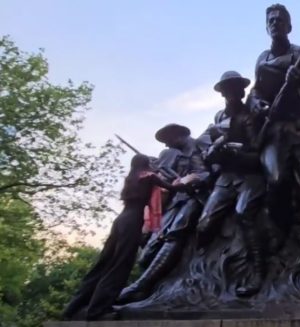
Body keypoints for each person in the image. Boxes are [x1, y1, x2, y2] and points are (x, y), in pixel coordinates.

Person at [63, 154, 190, 320]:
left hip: (121, 220)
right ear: (147, 164)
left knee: (103, 263)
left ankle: (73, 307)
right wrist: (187, 180)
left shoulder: (132, 178)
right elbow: (173, 188)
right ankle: (98, 310)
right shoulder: (150, 177)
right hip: (132, 222)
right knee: (120, 264)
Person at [247, 4, 300, 239]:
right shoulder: (262, 59)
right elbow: (256, 91)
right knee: (277, 180)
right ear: (266, 27)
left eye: (280, 20)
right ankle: (280, 234)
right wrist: (257, 104)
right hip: (275, 132)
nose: (275, 23)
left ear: (289, 26)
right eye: (271, 20)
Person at [118, 124, 209, 304]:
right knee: (148, 250)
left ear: (178, 135)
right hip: (176, 200)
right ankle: (144, 287)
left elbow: (207, 172)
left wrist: (187, 181)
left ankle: (140, 286)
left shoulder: (198, 146)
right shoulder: (172, 154)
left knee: (176, 232)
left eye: (168, 141)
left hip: (196, 198)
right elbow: (167, 180)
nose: (167, 146)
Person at [197, 71, 267, 296]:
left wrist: (233, 155)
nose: (232, 93)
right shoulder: (218, 119)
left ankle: (258, 273)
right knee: (204, 224)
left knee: (244, 213)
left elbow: (257, 154)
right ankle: (206, 275)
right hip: (226, 178)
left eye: (236, 88)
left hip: (250, 176)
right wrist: (213, 155)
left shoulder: (250, 118)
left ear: (242, 91)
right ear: (223, 93)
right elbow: (205, 151)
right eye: (228, 89)